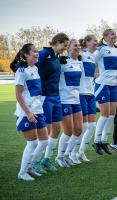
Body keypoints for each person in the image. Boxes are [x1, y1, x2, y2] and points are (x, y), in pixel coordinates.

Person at [11, 44, 49, 181]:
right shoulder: (21, 70)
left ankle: (31, 166)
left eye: (37, 51)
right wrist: (28, 113)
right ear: (26, 54)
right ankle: (22, 172)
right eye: (34, 51)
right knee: (32, 143)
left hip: (38, 111)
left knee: (44, 141)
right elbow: (18, 94)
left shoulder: (35, 68)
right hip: (26, 113)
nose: (36, 53)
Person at [37, 33, 69, 172]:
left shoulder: (56, 57)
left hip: (57, 96)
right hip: (44, 97)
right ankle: (35, 161)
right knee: (46, 131)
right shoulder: (44, 53)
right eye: (64, 45)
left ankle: (46, 159)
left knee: (56, 129)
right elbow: (31, 67)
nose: (65, 48)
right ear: (56, 42)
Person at [55, 39, 83, 167]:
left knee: (78, 130)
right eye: (74, 45)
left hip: (76, 100)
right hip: (64, 100)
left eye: (78, 45)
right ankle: (59, 157)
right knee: (68, 131)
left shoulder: (80, 62)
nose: (77, 47)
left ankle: (67, 155)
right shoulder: (61, 61)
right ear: (68, 48)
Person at [93, 29, 117, 155]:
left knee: (112, 114)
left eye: (115, 34)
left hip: (114, 85)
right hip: (103, 84)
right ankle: (96, 141)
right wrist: (95, 73)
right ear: (105, 37)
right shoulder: (101, 49)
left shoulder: (116, 49)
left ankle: (104, 141)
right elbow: (91, 61)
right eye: (112, 34)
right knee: (105, 114)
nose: (115, 36)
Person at [76, 35, 98, 162]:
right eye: (94, 40)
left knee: (91, 126)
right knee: (83, 127)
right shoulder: (80, 54)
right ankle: (72, 153)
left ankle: (81, 152)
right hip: (81, 93)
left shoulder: (93, 56)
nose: (96, 43)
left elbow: (93, 75)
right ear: (87, 42)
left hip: (91, 94)